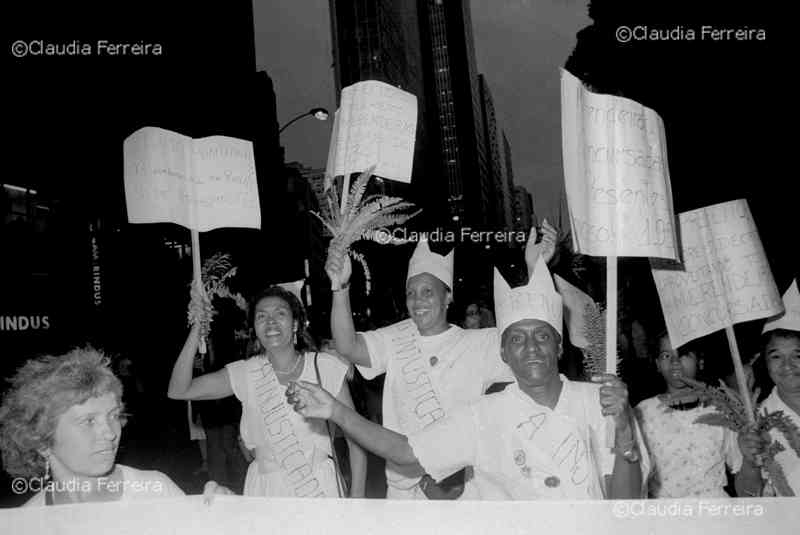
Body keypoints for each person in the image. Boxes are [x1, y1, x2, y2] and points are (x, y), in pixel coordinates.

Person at [289, 258, 648, 500]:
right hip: (414, 487)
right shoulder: (483, 416)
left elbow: (625, 507)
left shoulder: (598, 403)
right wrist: (336, 411)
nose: (531, 348)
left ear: (558, 345)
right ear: (504, 352)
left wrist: (625, 437)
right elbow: (404, 450)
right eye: (517, 339)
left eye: (541, 336)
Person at [323, 222, 558, 499]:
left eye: (427, 292)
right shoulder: (395, 338)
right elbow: (347, 346)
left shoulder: (477, 343)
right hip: (405, 493)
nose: (417, 300)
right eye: (411, 292)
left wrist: (537, 269)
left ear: (448, 297)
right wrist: (339, 288)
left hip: (463, 491)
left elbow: (533, 339)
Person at [168, 285, 367, 498]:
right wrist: (197, 329)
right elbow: (179, 390)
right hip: (265, 489)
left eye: (280, 313)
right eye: (261, 316)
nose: (270, 322)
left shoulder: (324, 366)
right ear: (254, 327)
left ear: (295, 324)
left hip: (318, 486)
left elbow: (356, 438)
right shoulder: (245, 372)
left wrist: (357, 499)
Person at [0, 347, 187, 506]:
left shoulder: (155, 493)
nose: (110, 433)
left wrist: (214, 515)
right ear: (41, 440)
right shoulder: (26, 523)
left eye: (113, 415)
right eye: (89, 421)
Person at [635, 332, 742, 497]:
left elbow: (740, 464)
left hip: (715, 512)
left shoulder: (721, 408)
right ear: (657, 363)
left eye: (684, 354)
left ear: (700, 361)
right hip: (668, 515)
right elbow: (637, 474)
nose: (675, 362)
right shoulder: (644, 412)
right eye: (666, 355)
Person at [736, 280, 800, 496]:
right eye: (776, 356)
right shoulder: (758, 421)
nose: (787, 366)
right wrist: (749, 461)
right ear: (764, 360)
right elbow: (747, 495)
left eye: (797, 355)